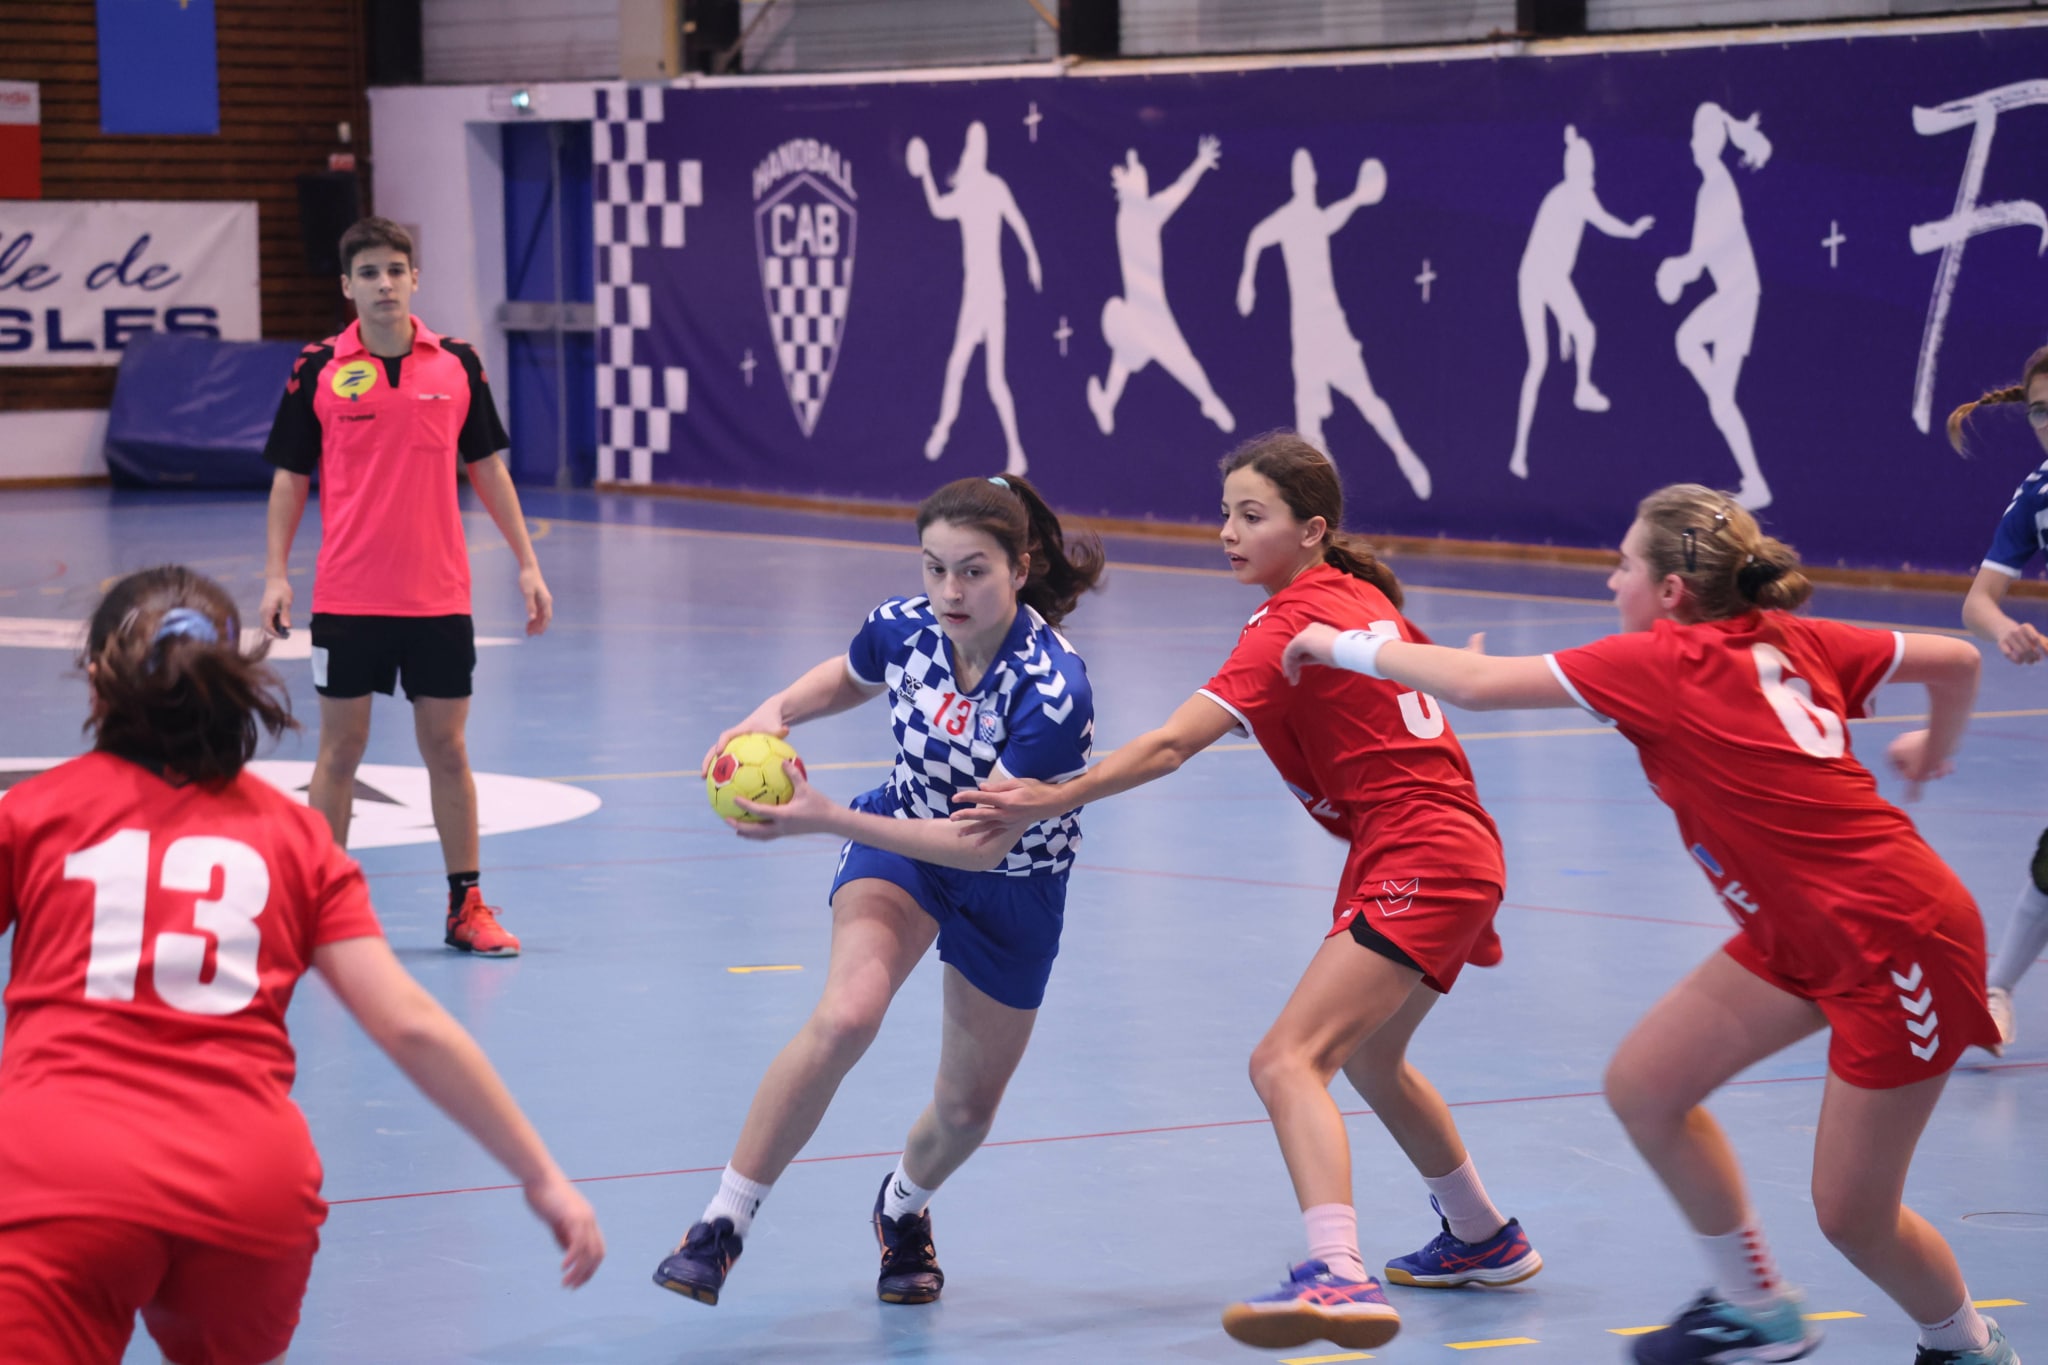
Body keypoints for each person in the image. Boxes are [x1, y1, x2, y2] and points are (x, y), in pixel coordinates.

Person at [1283, 483, 2012, 1365]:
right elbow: (1957, 660)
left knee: (1853, 1215)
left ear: (1670, 591)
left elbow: (1478, 686)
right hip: (1799, 932)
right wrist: (1937, 745)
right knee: (1647, 1086)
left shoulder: (1665, 661)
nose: (1610, 582)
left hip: (1899, 941)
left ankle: (1967, 1346)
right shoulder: (1790, 636)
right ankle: (1755, 1307)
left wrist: (1335, 642)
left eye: (1622, 565)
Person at [956, 433, 1538, 1354]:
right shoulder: (1359, 597)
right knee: (1372, 1056)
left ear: (1313, 529)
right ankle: (1482, 1234)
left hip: (1420, 850)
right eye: (1225, 511)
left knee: (1285, 1060)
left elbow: (1170, 744)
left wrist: (1050, 796)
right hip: (1449, 846)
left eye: (1252, 515)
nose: (1227, 531)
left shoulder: (1287, 623)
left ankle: (1338, 1273)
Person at [0, 566, 603, 1365]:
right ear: (232, 680)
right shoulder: (293, 839)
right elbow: (412, 1025)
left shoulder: (34, 812)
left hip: (64, 1163)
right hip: (246, 1183)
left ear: (96, 683)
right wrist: (541, 1174)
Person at [652, 475, 1104, 1308]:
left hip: (1012, 880)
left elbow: (980, 843)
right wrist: (777, 708)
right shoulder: (905, 626)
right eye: (934, 567)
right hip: (902, 843)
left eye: (972, 571)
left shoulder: (1051, 689)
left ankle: (901, 1207)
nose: (949, 590)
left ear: (1019, 568)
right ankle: (721, 1223)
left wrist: (825, 816)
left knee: (965, 1111)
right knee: (846, 1015)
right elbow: (851, 673)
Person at [260, 215, 553, 958]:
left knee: (447, 749)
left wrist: (527, 562)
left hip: (438, 600)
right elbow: (291, 477)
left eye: (395, 270)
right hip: (347, 599)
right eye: (369, 273)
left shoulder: (457, 364)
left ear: (414, 278)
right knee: (341, 751)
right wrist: (275, 575)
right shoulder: (317, 367)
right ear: (347, 286)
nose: (384, 284)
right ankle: (320, 910)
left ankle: (466, 907)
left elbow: (487, 467)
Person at [1949, 343, 2048, 1054]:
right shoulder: (2038, 496)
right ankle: (1996, 990)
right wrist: (2006, 629)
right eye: (2040, 412)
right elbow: (1977, 601)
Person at [1509, 124, 1653, 480]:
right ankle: (1582, 389)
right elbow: (1605, 223)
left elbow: (1552, 261)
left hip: (1535, 277)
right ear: (1580, 167)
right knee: (1575, 338)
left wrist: (1564, 326)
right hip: (1541, 276)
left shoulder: (1561, 193)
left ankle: (1519, 452)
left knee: (1542, 361)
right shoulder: (1576, 193)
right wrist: (1633, 230)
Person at [1657, 104, 1773, 511]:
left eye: (1697, 136)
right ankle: (1754, 479)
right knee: (1712, 387)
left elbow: (1706, 251)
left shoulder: (1718, 186)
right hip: (1735, 294)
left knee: (1686, 339)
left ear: (1710, 141)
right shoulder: (1710, 187)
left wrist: (1676, 271)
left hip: (1740, 294)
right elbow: (1700, 255)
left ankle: (1752, 473)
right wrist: (1680, 269)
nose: (1692, 144)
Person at [909, 124, 1044, 476]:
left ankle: (1016, 452)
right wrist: (925, 173)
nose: (977, 147)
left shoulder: (995, 187)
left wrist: (1032, 257)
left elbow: (1017, 220)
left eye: (981, 141)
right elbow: (938, 208)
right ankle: (942, 430)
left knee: (995, 379)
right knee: (957, 364)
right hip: (974, 295)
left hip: (992, 293)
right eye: (973, 142)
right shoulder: (965, 191)